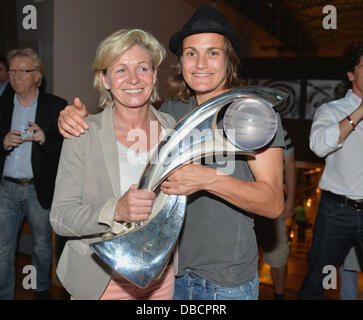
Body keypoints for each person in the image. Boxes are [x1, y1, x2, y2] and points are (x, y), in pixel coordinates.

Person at [57, 6, 285, 300]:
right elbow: (125, 116)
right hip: (168, 274)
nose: (201, 63)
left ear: (229, 60)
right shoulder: (171, 114)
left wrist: (207, 179)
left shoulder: (252, 116)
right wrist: (71, 118)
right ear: (181, 61)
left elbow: (273, 203)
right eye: (191, 53)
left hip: (225, 281)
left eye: (213, 53)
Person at [50, 29, 176, 300]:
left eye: (142, 68)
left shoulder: (173, 130)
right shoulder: (83, 132)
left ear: (154, 75)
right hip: (100, 282)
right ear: (104, 79)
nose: (133, 79)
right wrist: (115, 209)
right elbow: (60, 218)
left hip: (160, 283)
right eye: (120, 70)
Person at [0, 48, 67, 300]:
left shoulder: (56, 106)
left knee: (41, 246)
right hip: (6, 188)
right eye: (12, 70)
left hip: (39, 189)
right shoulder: (2, 106)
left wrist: (45, 138)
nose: (16, 76)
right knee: (3, 250)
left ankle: (41, 291)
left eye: (23, 71)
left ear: (37, 75)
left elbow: (69, 148)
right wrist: (3, 141)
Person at [298, 43, 363, 300]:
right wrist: (358, 113)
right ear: (351, 74)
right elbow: (318, 146)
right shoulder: (331, 110)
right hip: (337, 211)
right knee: (317, 282)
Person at [255, 128, 296, 300]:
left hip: (272, 201)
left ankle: (279, 296)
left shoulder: (279, 131)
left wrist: (290, 201)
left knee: (278, 257)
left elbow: (290, 167)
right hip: (243, 202)